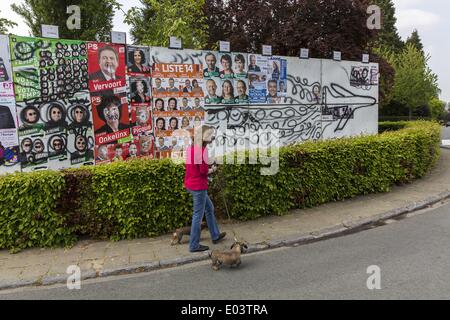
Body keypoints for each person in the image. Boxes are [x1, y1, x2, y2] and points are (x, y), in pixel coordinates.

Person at [184, 125, 226, 252]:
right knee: (198, 215)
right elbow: (203, 171)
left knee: (209, 208)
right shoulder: (202, 150)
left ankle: (215, 235)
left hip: (191, 183)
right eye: (209, 135)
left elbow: (197, 165)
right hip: (198, 186)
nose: (211, 136)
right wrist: (213, 169)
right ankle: (194, 245)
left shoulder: (192, 148)